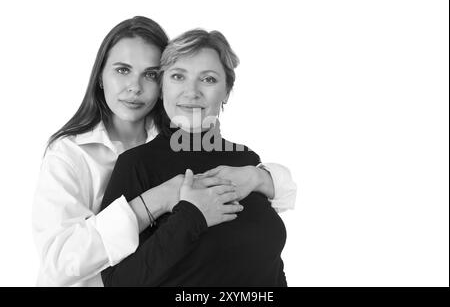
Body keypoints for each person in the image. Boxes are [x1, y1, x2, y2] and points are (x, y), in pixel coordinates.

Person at [32, 17, 297, 287]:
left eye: (149, 74)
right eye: (122, 70)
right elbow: (62, 262)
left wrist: (257, 177)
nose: (135, 87)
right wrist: (162, 200)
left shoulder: (190, 141)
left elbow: (278, 212)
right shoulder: (71, 155)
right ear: (100, 76)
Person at [100, 29, 289, 286]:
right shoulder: (136, 164)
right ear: (162, 87)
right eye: (178, 76)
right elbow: (118, 282)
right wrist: (192, 217)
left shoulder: (246, 159)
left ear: (227, 91)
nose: (192, 92)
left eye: (208, 79)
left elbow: (269, 262)